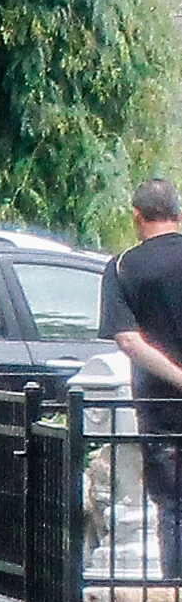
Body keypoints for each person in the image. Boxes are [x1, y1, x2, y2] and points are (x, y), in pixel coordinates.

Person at [100, 178, 182, 578]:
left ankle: (178, 596)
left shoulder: (121, 267)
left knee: (172, 504)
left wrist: (178, 378)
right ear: (178, 215)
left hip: (159, 404)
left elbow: (129, 342)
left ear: (137, 216)